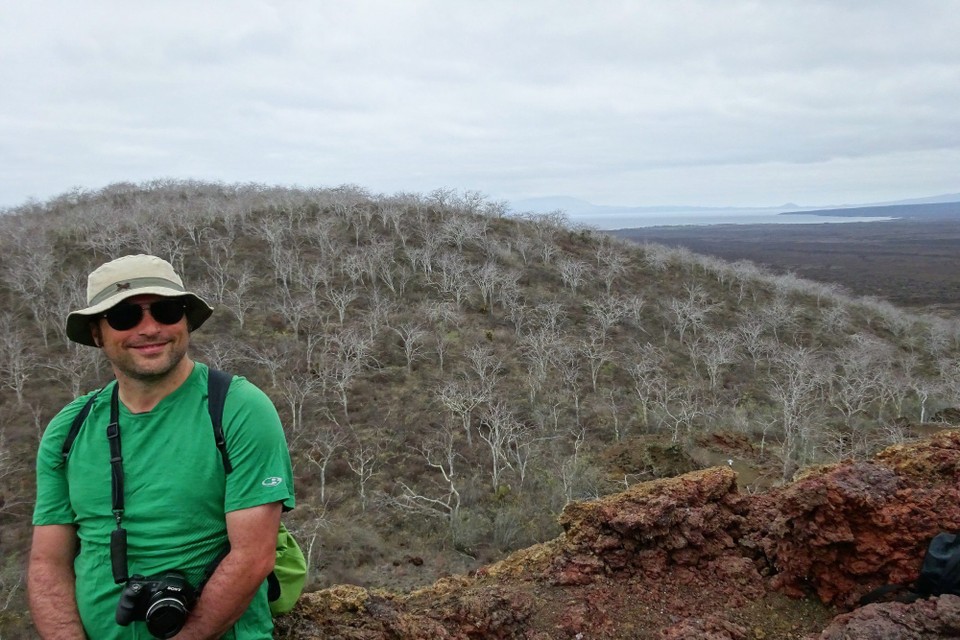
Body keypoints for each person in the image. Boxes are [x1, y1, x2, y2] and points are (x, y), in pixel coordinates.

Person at [29, 254, 295, 639]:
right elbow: (47, 565)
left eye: (167, 311)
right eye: (124, 317)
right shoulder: (68, 429)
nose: (150, 328)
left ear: (186, 320)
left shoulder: (237, 408)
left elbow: (253, 557)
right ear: (96, 333)